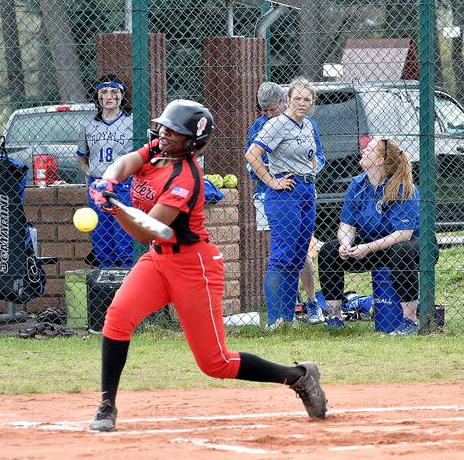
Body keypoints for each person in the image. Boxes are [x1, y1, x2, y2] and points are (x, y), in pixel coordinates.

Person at [87, 99, 326, 432]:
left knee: (216, 363)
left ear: (192, 141)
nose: (165, 134)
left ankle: (299, 377)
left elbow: (148, 230)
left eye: (174, 132)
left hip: (193, 265)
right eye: (165, 128)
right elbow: (126, 162)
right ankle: (107, 405)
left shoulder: (185, 177)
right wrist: (107, 181)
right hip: (159, 260)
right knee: (117, 317)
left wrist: (115, 208)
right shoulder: (159, 149)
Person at [317, 136, 427, 335]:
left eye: (369, 149)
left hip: (411, 246)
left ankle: (409, 322)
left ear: (380, 161)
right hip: (373, 246)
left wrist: (367, 248)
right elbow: (346, 225)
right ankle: (334, 318)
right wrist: (345, 243)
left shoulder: (402, 186)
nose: (363, 150)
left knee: (401, 251)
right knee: (329, 250)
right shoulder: (357, 184)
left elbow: (403, 234)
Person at [246, 81, 325, 325]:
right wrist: (272, 181)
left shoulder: (309, 125)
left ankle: (288, 318)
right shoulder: (276, 124)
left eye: (307, 99)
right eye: (298, 98)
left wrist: (308, 175)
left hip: (306, 191)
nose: (302, 103)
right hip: (284, 194)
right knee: (282, 255)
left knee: (298, 254)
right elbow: (252, 155)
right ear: (287, 99)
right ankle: (275, 320)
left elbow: (316, 157)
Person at [77, 74, 135, 268]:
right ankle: (106, 281)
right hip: (98, 184)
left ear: (121, 95)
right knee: (101, 235)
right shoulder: (88, 125)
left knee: (123, 235)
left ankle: (127, 279)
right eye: (103, 92)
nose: (108, 96)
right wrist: (88, 172)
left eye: (113, 92)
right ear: (98, 96)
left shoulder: (132, 122)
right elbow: (82, 156)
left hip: (124, 184)